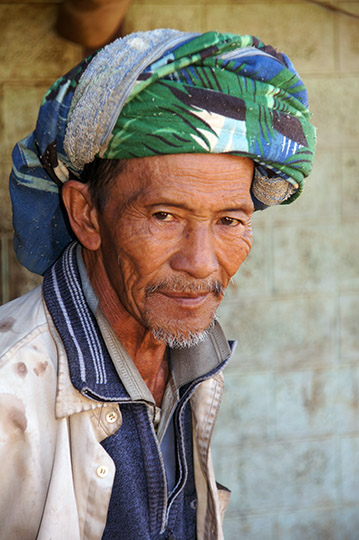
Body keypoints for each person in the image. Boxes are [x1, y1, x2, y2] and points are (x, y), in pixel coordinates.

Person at [0, 29, 316, 540]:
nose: (200, 263)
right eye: (164, 215)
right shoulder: (8, 394)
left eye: (230, 221)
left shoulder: (191, 359)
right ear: (87, 216)